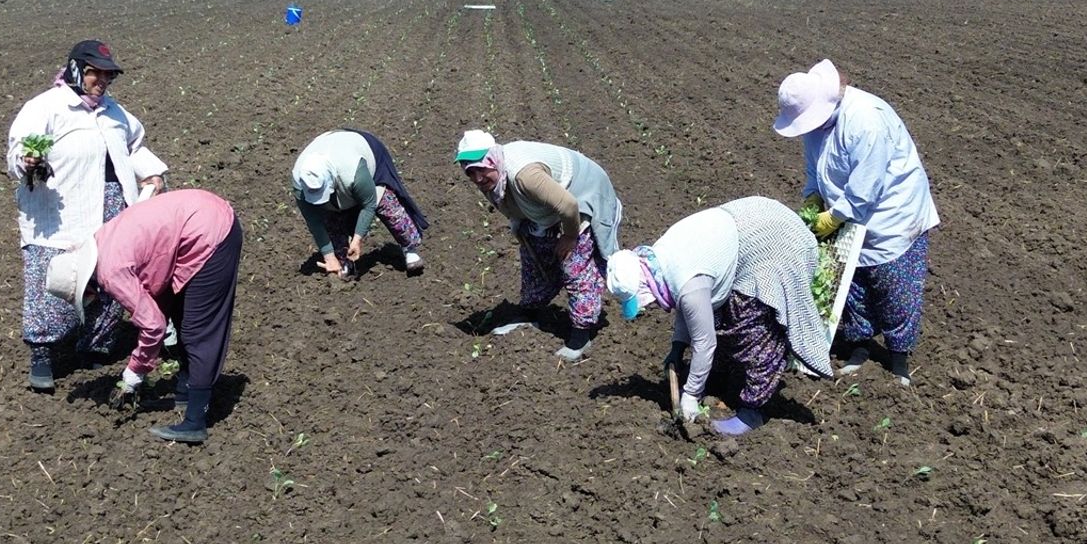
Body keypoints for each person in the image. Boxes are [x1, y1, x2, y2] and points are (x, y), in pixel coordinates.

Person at [7, 39, 167, 392]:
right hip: (60, 211)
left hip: (111, 207)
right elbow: (19, 149)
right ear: (78, 69)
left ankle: (96, 344)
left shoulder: (113, 112)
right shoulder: (46, 107)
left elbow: (134, 147)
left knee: (111, 275)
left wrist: (150, 173)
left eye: (109, 74)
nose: (104, 80)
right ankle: (43, 352)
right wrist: (27, 161)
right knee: (52, 276)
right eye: (97, 73)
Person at [773, 59, 939, 386]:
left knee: (894, 288)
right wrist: (812, 198)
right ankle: (859, 348)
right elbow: (815, 170)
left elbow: (865, 189)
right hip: (850, 215)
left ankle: (898, 361)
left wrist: (833, 217)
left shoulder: (865, 120)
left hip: (893, 215)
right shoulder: (815, 125)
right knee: (853, 284)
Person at [606, 197, 832, 436]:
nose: (647, 306)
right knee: (724, 317)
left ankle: (752, 411)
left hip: (774, 242)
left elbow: (704, 340)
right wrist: (678, 346)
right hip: (747, 228)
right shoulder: (657, 260)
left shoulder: (688, 283)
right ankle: (721, 378)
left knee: (754, 332)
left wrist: (691, 395)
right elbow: (684, 301)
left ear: (644, 286)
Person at [45, 189, 242, 444]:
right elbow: (156, 295)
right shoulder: (101, 242)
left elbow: (153, 325)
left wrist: (133, 374)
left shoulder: (110, 272)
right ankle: (185, 392)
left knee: (197, 332)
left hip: (210, 233)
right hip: (200, 219)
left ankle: (195, 421)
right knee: (181, 316)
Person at [454, 129, 623, 362]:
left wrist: (570, 236)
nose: (477, 178)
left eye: (481, 169)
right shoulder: (494, 179)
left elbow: (568, 205)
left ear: (492, 160)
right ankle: (529, 311)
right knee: (534, 257)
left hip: (582, 195)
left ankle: (581, 335)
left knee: (574, 265)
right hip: (550, 208)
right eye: (470, 173)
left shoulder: (526, 176)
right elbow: (514, 207)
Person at [291, 129, 429, 278]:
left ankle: (410, 250)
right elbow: (314, 221)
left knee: (387, 204)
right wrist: (329, 257)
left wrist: (357, 240)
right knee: (330, 217)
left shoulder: (353, 171)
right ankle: (343, 262)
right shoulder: (300, 181)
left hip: (364, 154)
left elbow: (369, 204)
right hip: (328, 148)